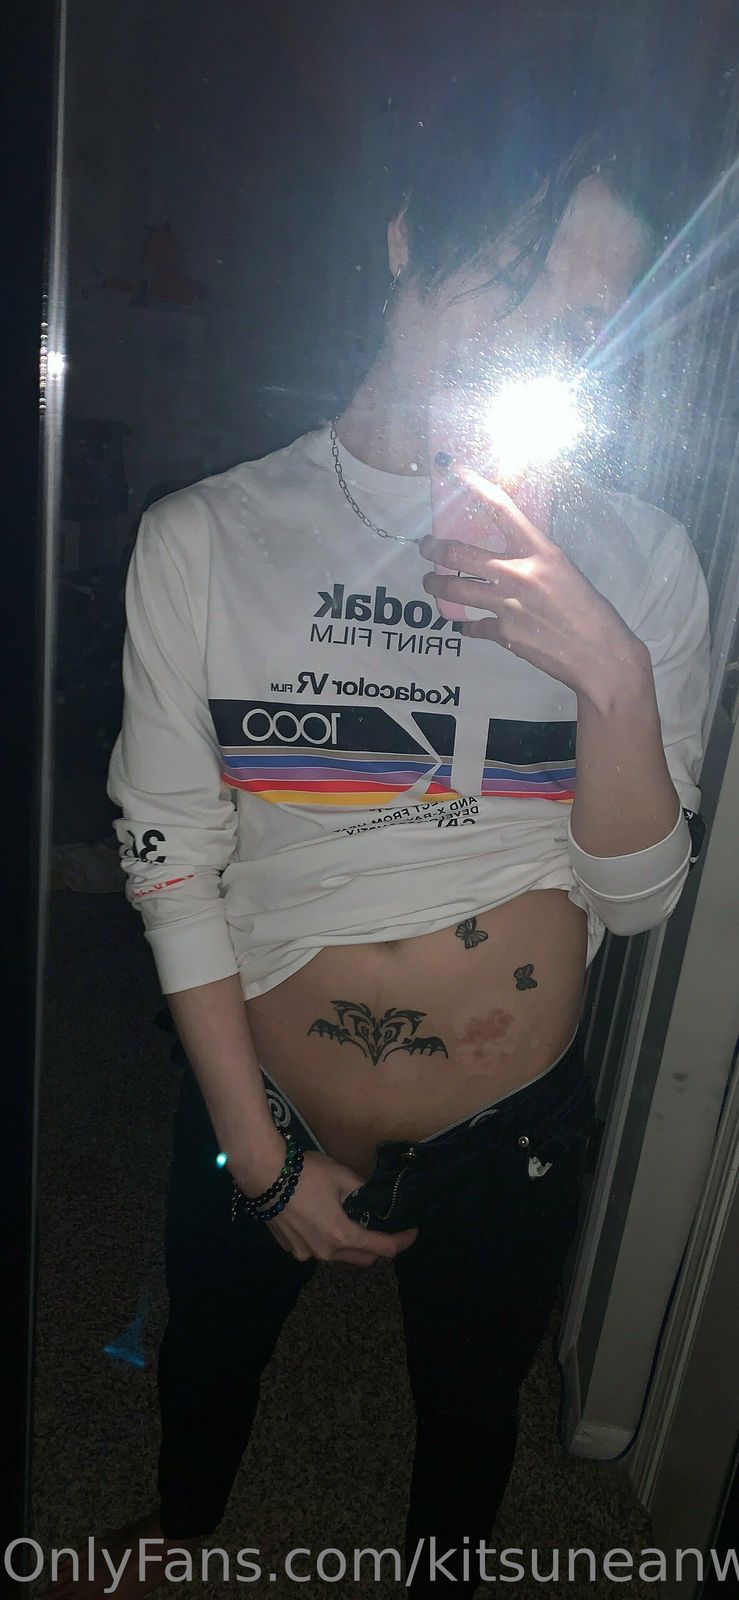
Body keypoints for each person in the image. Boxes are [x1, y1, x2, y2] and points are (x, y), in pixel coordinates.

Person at [50, 57, 711, 1600]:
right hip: (263, 1089)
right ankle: (179, 1538)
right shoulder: (208, 537)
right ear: (410, 232)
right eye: (518, 274)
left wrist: (609, 674)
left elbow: (635, 902)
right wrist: (254, 1153)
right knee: (211, 1353)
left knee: (472, 1409)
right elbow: (170, 858)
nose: (539, 331)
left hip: (513, 1122)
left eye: (580, 317)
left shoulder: (640, 559)